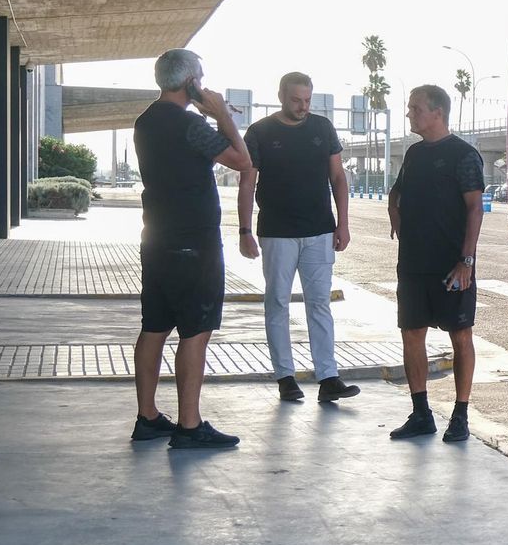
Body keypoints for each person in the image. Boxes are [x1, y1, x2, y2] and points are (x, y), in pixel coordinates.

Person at [130, 48, 252, 450]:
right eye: (201, 76)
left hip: (157, 239)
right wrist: (223, 117)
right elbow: (242, 161)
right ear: (191, 83)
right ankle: (188, 424)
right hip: (194, 242)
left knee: (154, 327)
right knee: (195, 331)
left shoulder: (144, 121)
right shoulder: (190, 126)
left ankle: (147, 416)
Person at [238, 73, 359, 404]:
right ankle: (285, 377)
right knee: (277, 301)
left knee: (319, 303)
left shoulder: (322, 128)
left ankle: (328, 377)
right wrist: (244, 230)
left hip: (320, 230)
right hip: (277, 233)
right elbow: (247, 183)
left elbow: (338, 177)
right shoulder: (260, 132)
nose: (302, 106)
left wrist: (343, 224)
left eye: (307, 100)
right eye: (296, 100)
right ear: (281, 95)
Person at [387, 86, 484, 443]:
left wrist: (466, 261)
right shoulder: (413, 153)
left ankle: (460, 414)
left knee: (461, 336)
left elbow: (475, 209)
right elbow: (396, 191)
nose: (410, 114)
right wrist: (393, 210)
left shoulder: (464, 155)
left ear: (437, 113)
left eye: (415, 108)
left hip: (452, 264)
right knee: (412, 334)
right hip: (412, 264)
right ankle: (421, 413)